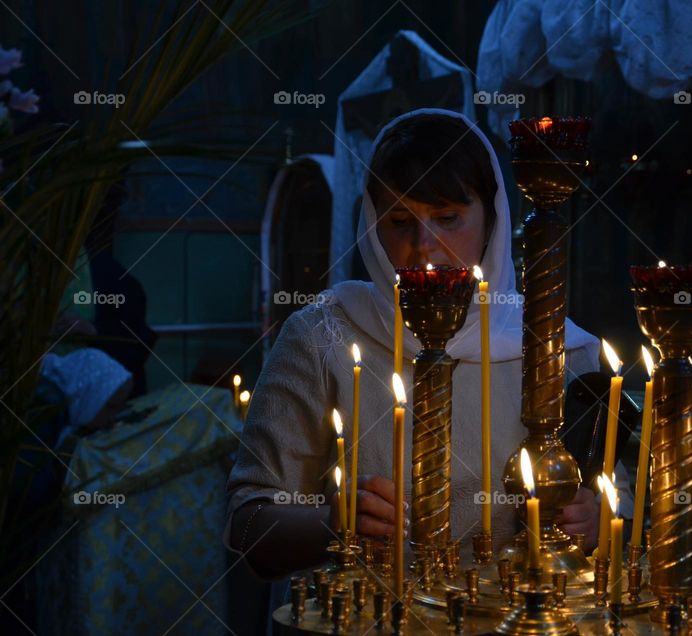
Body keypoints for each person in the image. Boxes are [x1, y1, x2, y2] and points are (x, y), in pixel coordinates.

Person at [224, 108, 601, 580]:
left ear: (492, 220)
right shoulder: (323, 336)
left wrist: (593, 520)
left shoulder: (556, 346)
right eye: (400, 221)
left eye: (448, 218)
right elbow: (248, 521)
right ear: (372, 227)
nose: (424, 245)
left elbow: (614, 502)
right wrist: (333, 522)